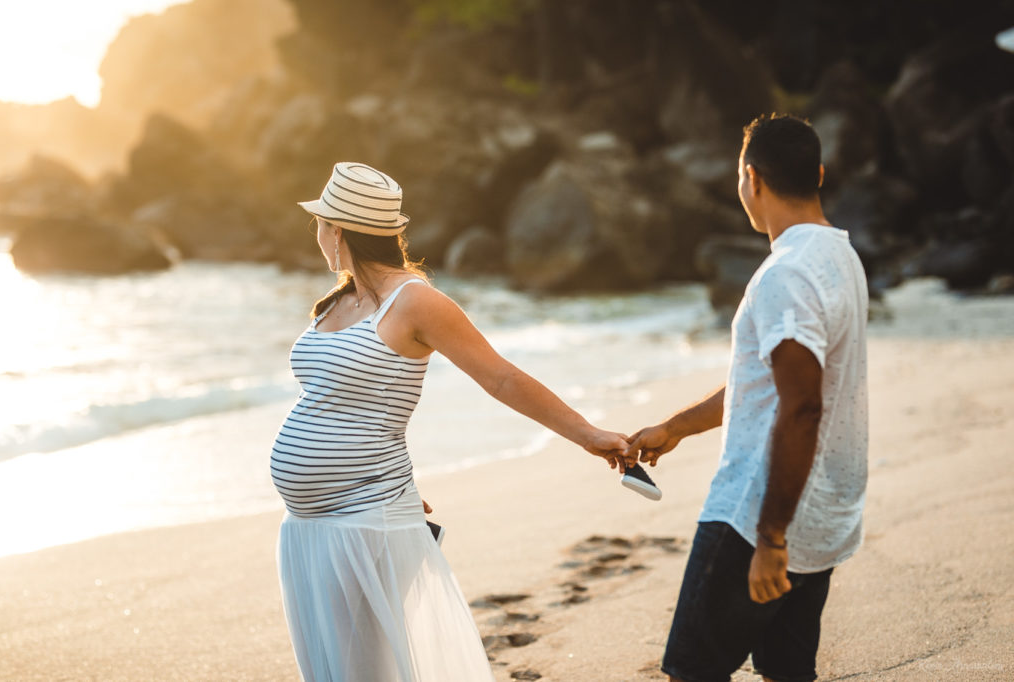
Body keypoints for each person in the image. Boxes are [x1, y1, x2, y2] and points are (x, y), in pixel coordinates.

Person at [270, 161, 629, 681]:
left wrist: (589, 435)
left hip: (365, 517)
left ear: (339, 230)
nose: (317, 236)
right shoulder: (340, 300)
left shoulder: (415, 301)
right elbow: (347, 401)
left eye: (321, 224)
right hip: (307, 525)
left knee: (365, 673)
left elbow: (500, 378)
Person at [628, 114, 869, 682]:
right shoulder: (841, 257)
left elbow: (802, 405)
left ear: (752, 179)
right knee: (788, 672)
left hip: (758, 517)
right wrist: (676, 427)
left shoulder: (786, 273)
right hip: (824, 513)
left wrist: (770, 538)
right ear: (818, 175)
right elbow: (774, 384)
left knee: (693, 671)